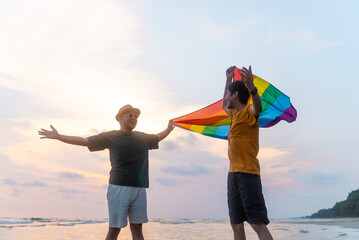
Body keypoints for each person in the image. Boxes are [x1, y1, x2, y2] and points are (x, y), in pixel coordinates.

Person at [38, 104, 174, 240]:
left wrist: (168, 129)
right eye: (130, 115)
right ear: (120, 119)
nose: (134, 118)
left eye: (136, 116)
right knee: (114, 229)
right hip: (119, 188)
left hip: (140, 189)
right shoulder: (111, 136)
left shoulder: (142, 138)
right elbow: (85, 141)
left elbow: (158, 137)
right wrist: (59, 136)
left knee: (137, 229)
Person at [223, 66, 273, 240]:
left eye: (229, 93)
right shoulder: (233, 114)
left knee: (257, 223)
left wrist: (252, 88)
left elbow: (258, 108)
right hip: (233, 176)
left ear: (235, 95)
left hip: (248, 174)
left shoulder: (248, 112)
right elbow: (224, 104)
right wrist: (228, 80)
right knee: (236, 225)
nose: (227, 97)